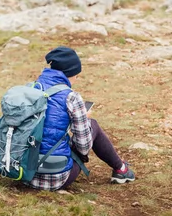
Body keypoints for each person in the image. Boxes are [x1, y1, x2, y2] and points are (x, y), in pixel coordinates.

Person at [28, 46, 135, 190]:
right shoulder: (71, 97)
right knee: (93, 125)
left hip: (25, 173)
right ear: (69, 74)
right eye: (76, 75)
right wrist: (83, 119)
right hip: (55, 178)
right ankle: (121, 169)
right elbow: (83, 148)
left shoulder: (32, 89)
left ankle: (120, 168)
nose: (76, 79)